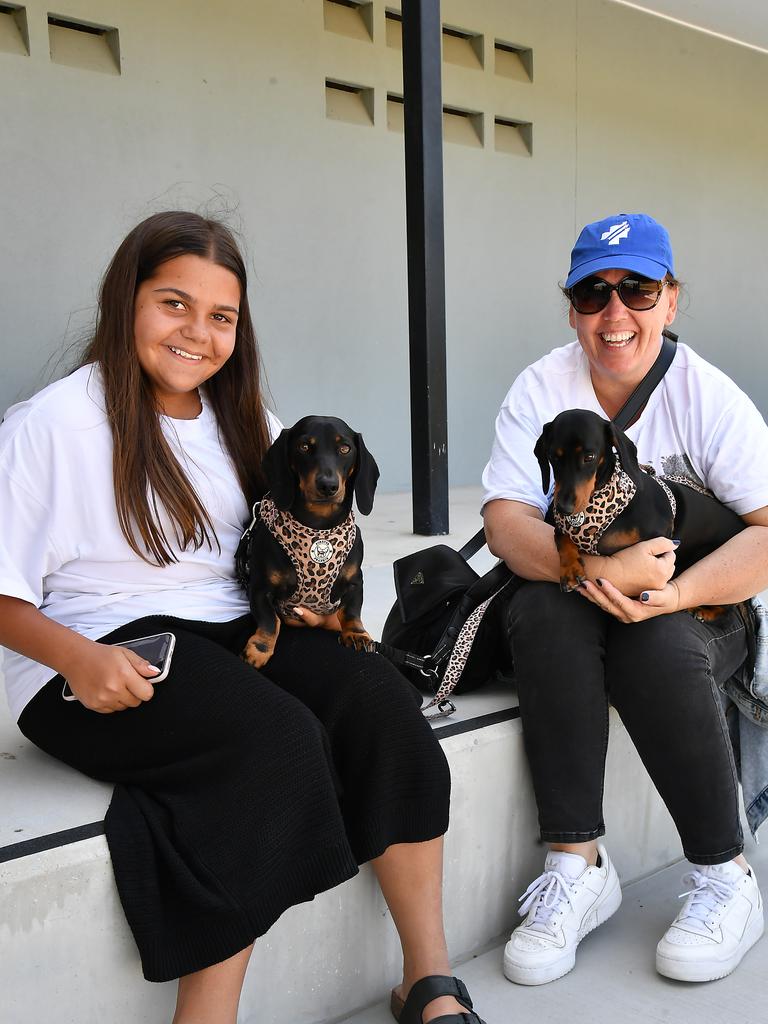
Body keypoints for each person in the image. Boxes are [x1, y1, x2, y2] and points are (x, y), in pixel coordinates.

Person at [0, 212, 485, 1024]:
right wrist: (78, 660)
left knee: (375, 699)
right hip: (86, 656)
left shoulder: (245, 422)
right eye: (172, 304)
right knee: (273, 741)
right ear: (127, 302)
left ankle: (426, 981)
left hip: (225, 629)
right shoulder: (51, 425)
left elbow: (290, 539)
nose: (197, 333)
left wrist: (319, 608)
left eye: (220, 316)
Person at [482, 212, 768, 987]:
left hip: (702, 601)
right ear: (571, 306)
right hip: (575, 594)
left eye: (637, 290)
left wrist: (670, 589)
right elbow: (506, 520)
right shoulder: (542, 386)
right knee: (541, 609)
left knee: (658, 642)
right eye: (593, 293)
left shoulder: (709, 396)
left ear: (670, 300)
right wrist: (597, 572)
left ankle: (724, 876)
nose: (615, 313)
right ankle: (577, 868)